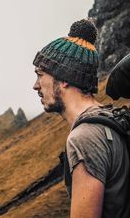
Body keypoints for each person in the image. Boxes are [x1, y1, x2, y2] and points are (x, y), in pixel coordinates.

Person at [32, 19, 130, 218]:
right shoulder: (113, 119)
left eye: (40, 74)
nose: (36, 85)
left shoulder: (84, 138)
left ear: (65, 78)